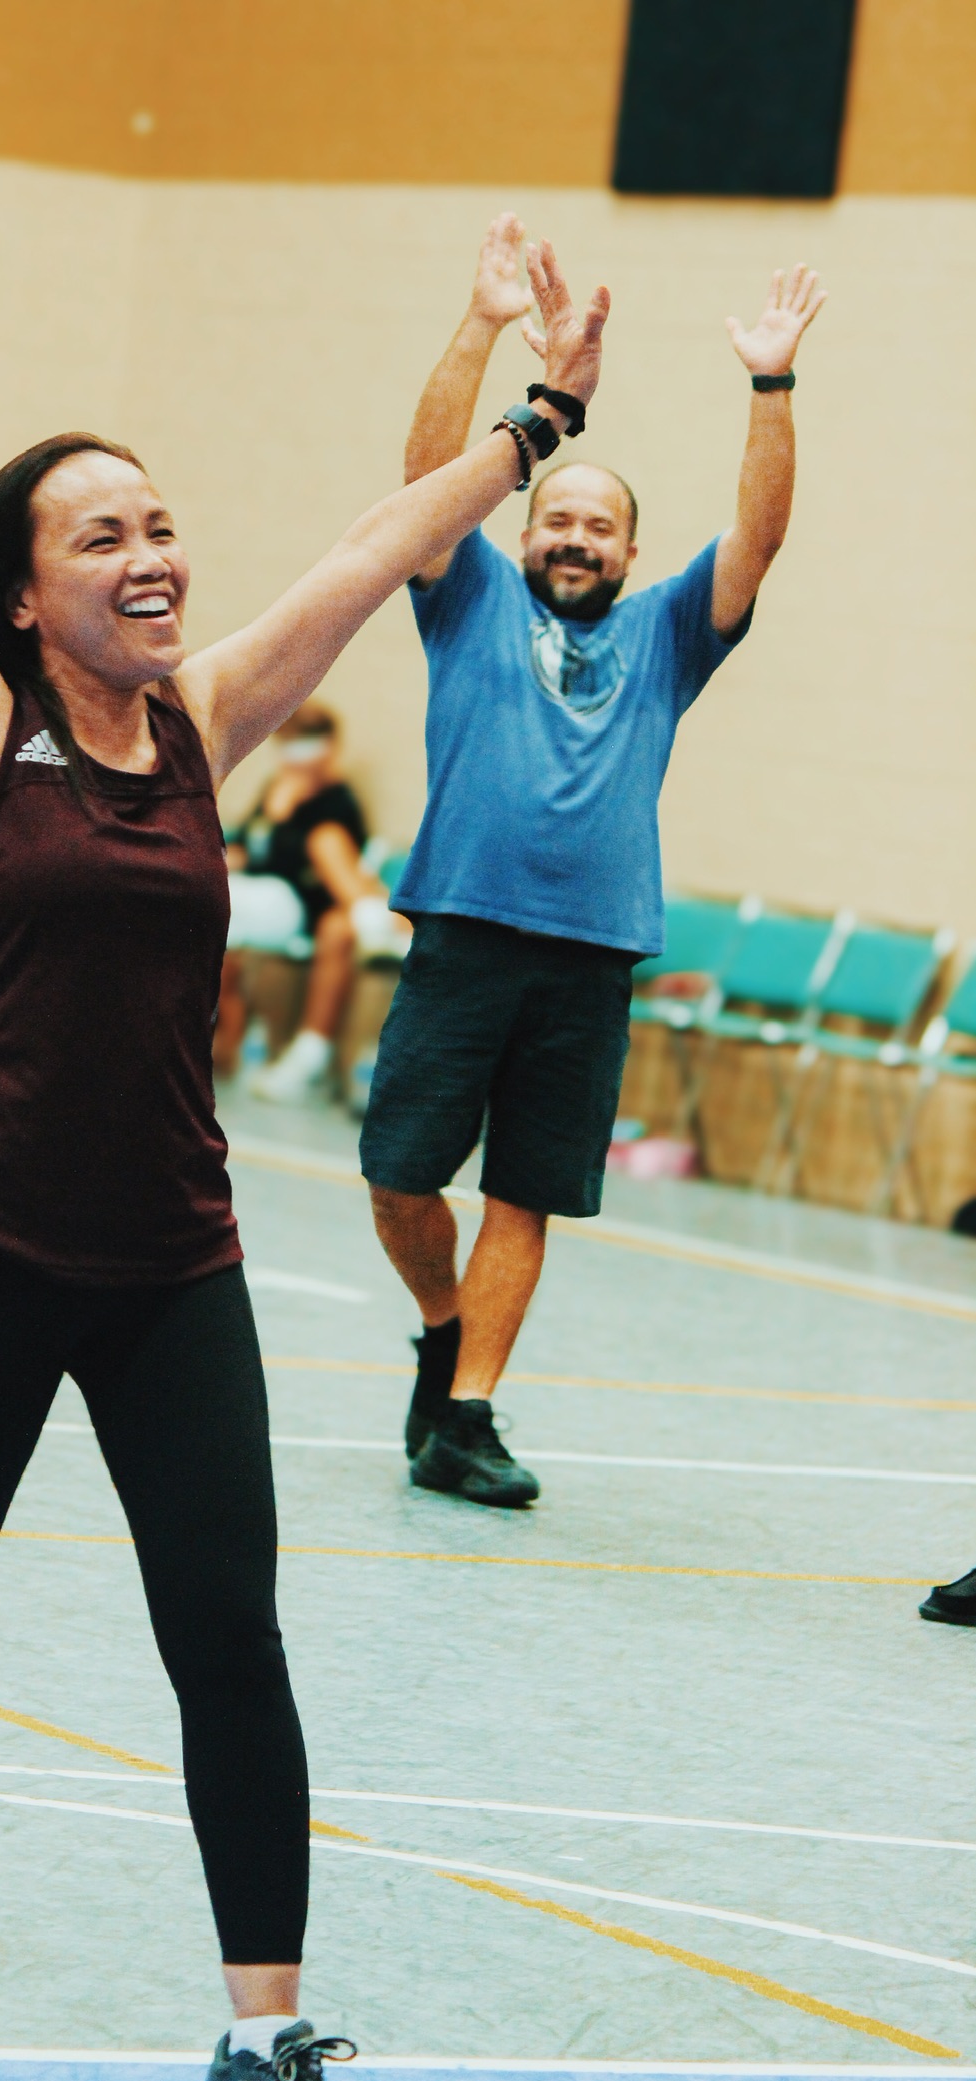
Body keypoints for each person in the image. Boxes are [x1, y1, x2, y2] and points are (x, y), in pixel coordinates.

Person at [0, 86, 607, 2081]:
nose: (154, 554)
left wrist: (539, 428)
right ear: (22, 591)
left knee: (229, 1640)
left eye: (160, 522)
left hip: (178, 1263)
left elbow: (378, 550)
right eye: (102, 534)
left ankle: (258, 2048)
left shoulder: (205, 725)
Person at [360, 212, 825, 1509]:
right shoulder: (468, 600)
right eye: (555, 517)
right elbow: (419, 482)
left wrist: (770, 383)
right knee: (399, 1176)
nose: (573, 536)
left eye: (598, 527)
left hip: (591, 954)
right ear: (522, 534)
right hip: (460, 930)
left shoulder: (670, 636)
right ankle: (442, 1326)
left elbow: (758, 537)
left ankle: (467, 1416)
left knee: (526, 1191)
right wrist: (486, 323)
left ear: (628, 554)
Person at [215, 700, 407, 1101]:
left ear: (328, 749)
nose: (295, 757)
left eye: (306, 746)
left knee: (324, 841)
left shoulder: (336, 799)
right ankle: (380, 923)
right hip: (265, 894)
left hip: (305, 902)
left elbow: (318, 860)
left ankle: (378, 922)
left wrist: (282, 815)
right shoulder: (274, 788)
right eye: (289, 745)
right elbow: (247, 844)